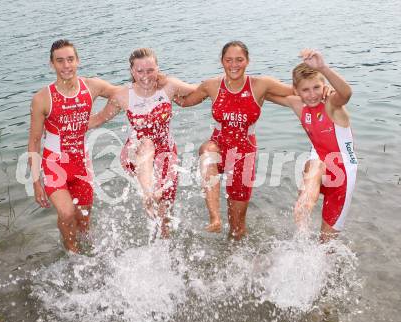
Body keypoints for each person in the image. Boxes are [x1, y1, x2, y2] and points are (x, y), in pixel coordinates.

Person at [177, 41, 293, 240]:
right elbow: (185, 101)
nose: (234, 65)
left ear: (248, 61)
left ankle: (235, 259)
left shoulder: (261, 84)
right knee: (207, 152)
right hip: (219, 144)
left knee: (237, 228)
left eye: (239, 60)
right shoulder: (212, 85)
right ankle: (214, 218)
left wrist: (326, 90)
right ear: (221, 61)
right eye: (228, 60)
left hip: (244, 154)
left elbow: (296, 91)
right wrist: (162, 86)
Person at [89, 48, 196, 238]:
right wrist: (62, 124)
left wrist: (230, 82)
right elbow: (98, 119)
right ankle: (147, 194)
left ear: (158, 69)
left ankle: (163, 247)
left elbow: (201, 92)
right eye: (140, 71)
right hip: (135, 152)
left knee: (164, 212)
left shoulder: (169, 87)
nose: (145, 76)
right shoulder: (123, 96)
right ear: (132, 71)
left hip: (166, 152)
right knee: (147, 143)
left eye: (150, 70)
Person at [28, 39, 120, 253]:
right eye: (60, 61)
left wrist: (99, 119)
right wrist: (35, 181)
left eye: (70, 59)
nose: (66, 65)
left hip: (82, 165)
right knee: (67, 213)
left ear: (78, 61)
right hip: (55, 164)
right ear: (52, 64)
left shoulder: (92, 86)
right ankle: (72, 251)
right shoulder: (42, 98)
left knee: (84, 219)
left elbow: (121, 94)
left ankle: (84, 244)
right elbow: (33, 141)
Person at [266, 49, 357, 242]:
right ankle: (301, 233)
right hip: (321, 165)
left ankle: (319, 259)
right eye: (305, 90)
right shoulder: (299, 105)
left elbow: (346, 93)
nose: (312, 95)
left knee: (327, 244)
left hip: (343, 175)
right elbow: (265, 92)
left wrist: (323, 68)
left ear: (324, 85)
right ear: (296, 91)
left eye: (316, 87)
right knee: (314, 165)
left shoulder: (331, 104)